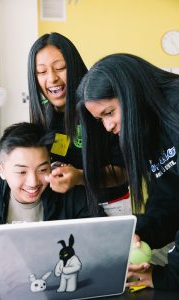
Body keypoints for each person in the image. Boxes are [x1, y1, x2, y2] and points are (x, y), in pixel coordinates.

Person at [76, 53, 179, 289]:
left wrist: (171, 276)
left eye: (109, 112)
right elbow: (168, 199)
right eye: (100, 119)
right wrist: (138, 234)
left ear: (130, 93)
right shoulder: (149, 128)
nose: (108, 126)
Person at [28, 32, 128, 214]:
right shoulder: (42, 112)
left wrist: (80, 177)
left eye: (60, 67)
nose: (51, 78)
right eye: (41, 72)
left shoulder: (98, 105)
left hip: (112, 205)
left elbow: (124, 172)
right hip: (67, 208)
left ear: (74, 67)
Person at [0, 122, 92, 276]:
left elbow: (100, 236)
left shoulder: (68, 195)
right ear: (1, 171)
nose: (33, 182)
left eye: (42, 170)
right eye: (21, 172)